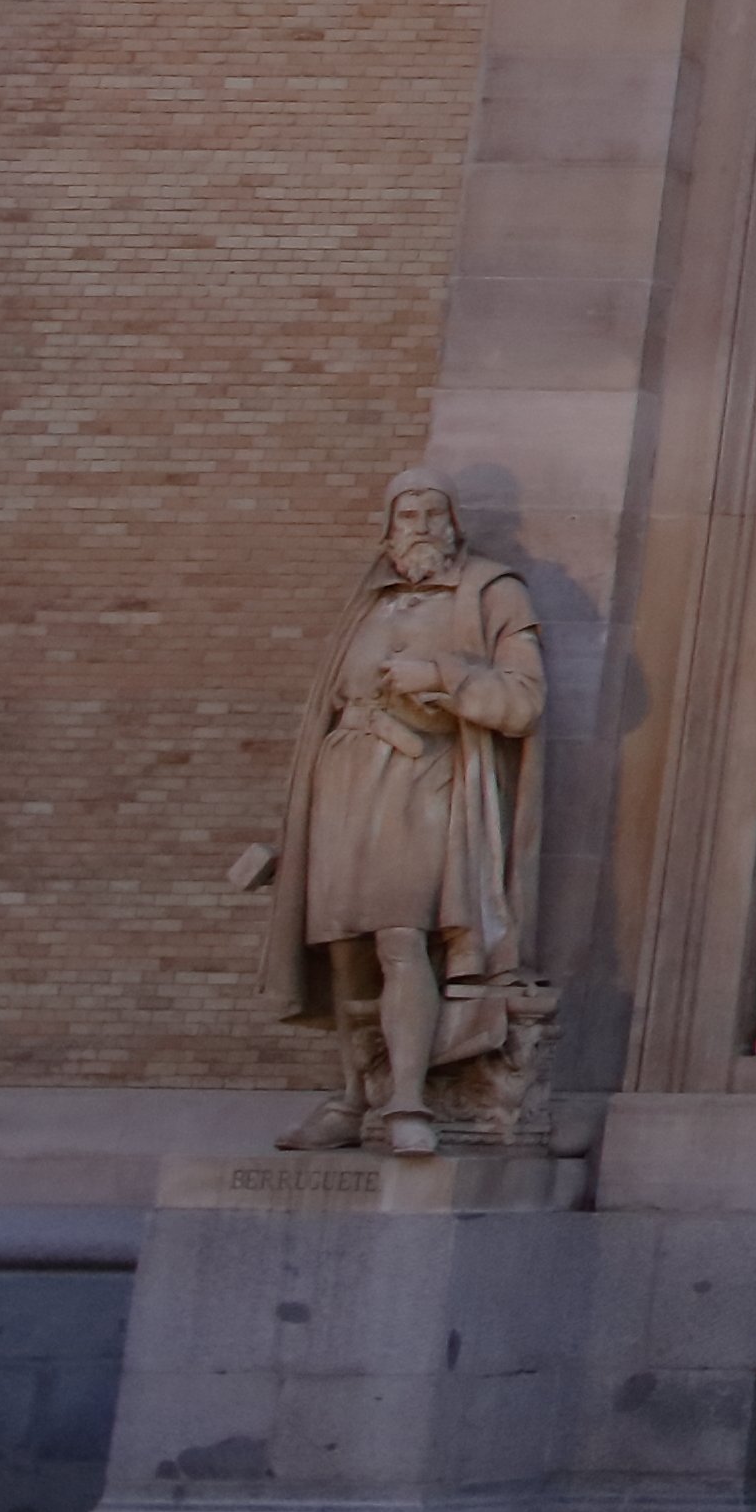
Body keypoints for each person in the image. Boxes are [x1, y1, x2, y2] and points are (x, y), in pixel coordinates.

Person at [251, 471, 545, 1154]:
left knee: (401, 935)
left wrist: (443, 674)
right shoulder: (369, 597)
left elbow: (525, 699)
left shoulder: (491, 591)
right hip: (345, 778)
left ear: (453, 523)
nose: (418, 524)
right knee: (347, 950)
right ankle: (357, 1097)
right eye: (405, 512)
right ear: (388, 524)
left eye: (431, 512)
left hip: (426, 777)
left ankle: (409, 1100)